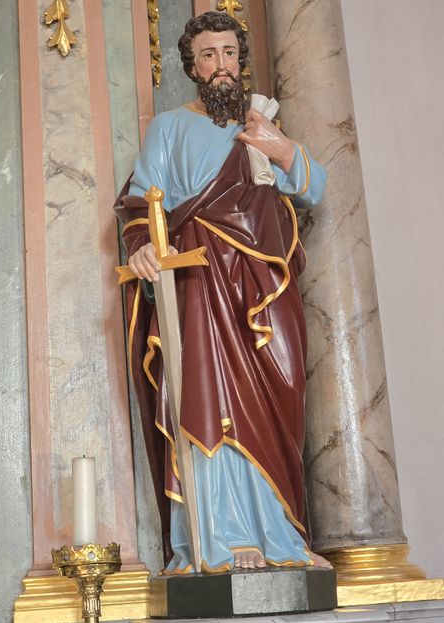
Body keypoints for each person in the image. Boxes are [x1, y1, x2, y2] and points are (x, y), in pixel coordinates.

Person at [115, 11, 330, 573]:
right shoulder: (169, 128)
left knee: (275, 394)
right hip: (201, 284)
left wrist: (282, 149)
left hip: (265, 289)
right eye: (208, 55)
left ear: (241, 59)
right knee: (209, 396)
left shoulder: (263, 126)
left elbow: (314, 189)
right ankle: (221, 536)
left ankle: (282, 534)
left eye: (229, 53)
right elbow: (141, 204)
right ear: (192, 66)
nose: (221, 66)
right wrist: (142, 245)